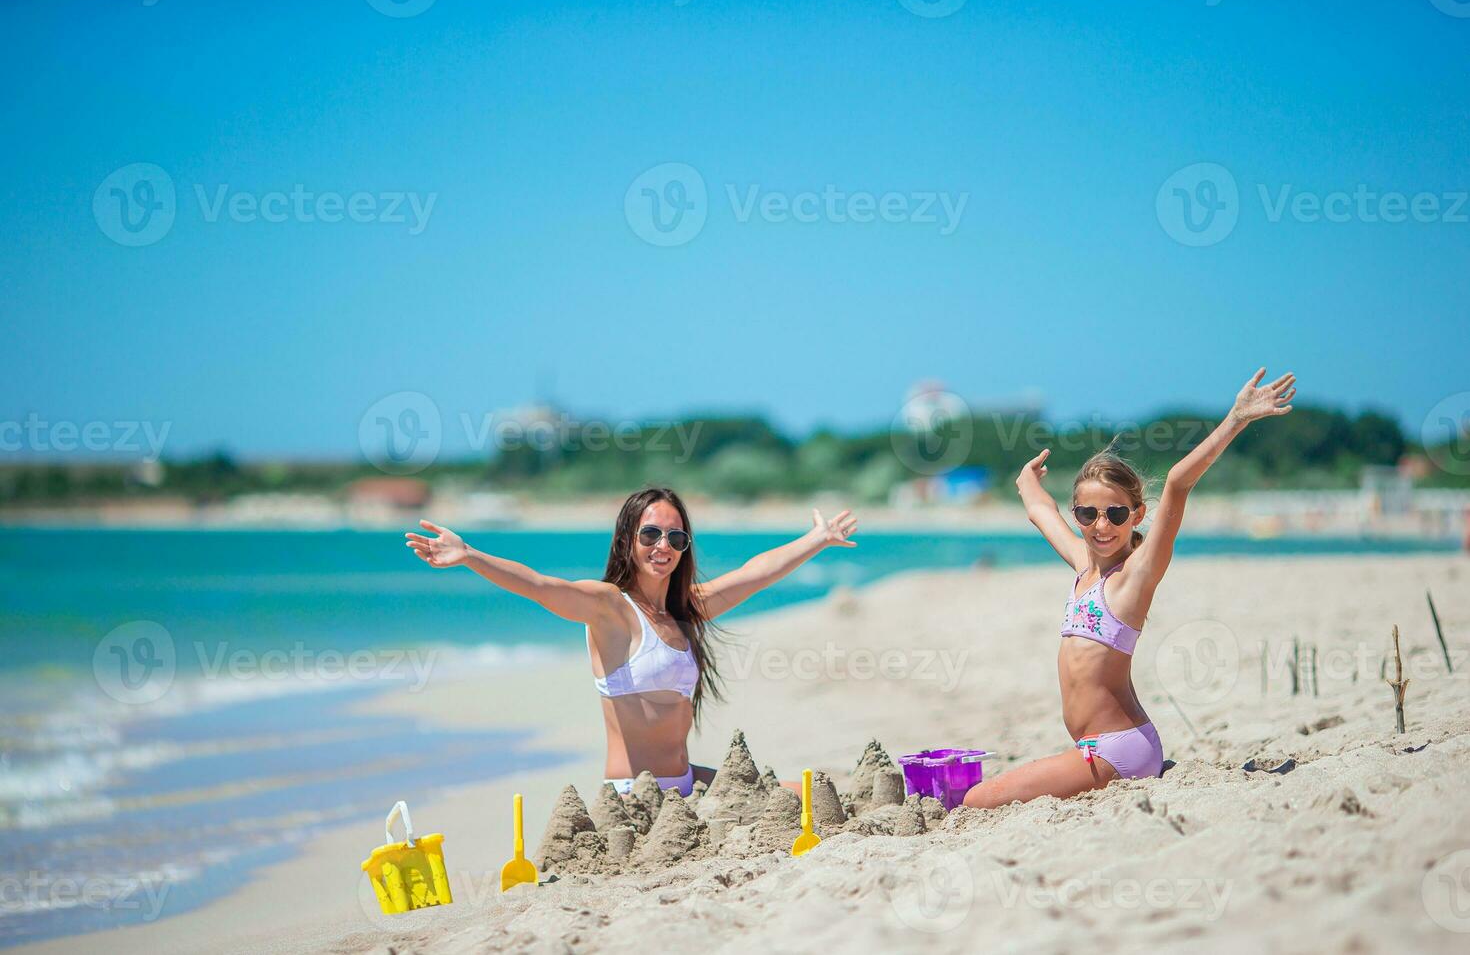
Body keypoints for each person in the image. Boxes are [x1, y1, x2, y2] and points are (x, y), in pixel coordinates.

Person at [964, 368, 1296, 808]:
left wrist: (1235, 418)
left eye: (1116, 515)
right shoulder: (1085, 567)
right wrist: (1026, 483)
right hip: (1094, 748)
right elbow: (1041, 513)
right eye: (1087, 515)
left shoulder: (1136, 576)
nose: (1101, 526)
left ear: (1137, 515)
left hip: (1120, 749)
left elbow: (1178, 483)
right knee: (980, 796)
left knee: (975, 801)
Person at [405, 486, 858, 797]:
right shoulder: (610, 608)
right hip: (635, 798)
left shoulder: (685, 610)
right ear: (627, 539)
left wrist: (816, 539)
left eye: (675, 537)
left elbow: (754, 574)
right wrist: (469, 556)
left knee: (812, 793)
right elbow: (541, 586)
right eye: (651, 534)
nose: (663, 545)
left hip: (688, 783)